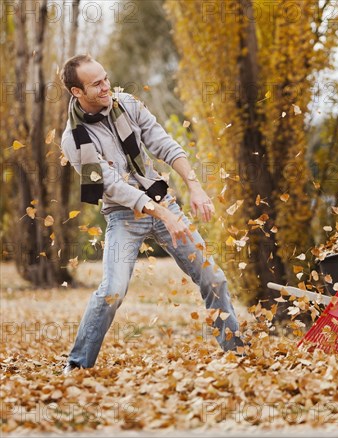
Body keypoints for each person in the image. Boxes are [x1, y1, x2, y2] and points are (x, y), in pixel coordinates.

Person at [59, 54, 245, 374]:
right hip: (123, 216)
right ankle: (77, 366)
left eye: (106, 78)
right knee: (112, 291)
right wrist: (164, 216)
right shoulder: (75, 139)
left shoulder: (127, 104)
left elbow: (164, 145)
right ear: (77, 92)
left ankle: (237, 351)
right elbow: (113, 187)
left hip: (162, 201)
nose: (106, 87)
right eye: (96, 84)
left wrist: (195, 186)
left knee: (212, 276)